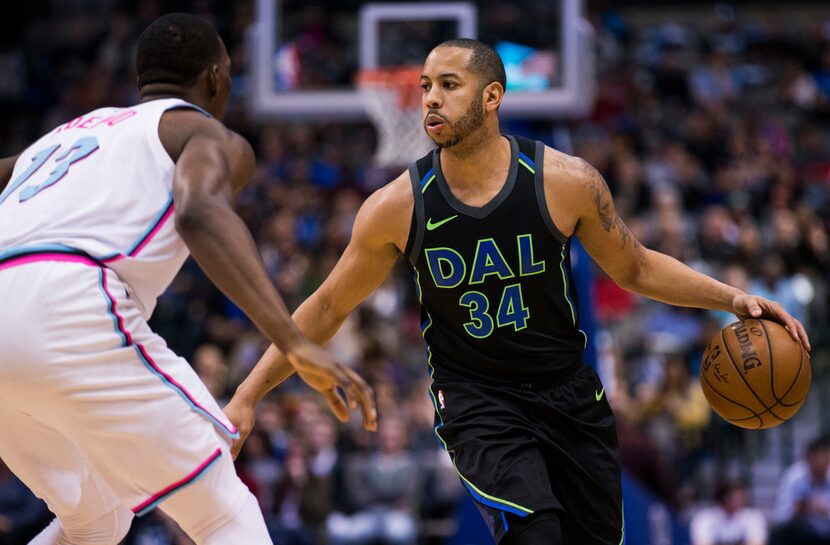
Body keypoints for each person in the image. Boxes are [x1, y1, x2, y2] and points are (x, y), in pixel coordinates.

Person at [224, 38, 810, 545]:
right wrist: (249, 395)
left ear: (492, 98)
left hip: (569, 393)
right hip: (478, 401)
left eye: (449, 85)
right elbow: (326, 307)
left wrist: (732, 298)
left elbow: (634, 268)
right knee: (535, 533)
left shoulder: (566, 182)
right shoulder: (396, 208)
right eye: (426, 85)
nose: (430, 98)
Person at [0, 13, 375, 545]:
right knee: (222, 512)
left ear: (139, 82)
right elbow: (198, 213)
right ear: (217, 77)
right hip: (68, 298)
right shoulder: (197, 129)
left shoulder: (59, 139)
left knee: (95, 521)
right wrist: (291, 341)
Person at [771, 433, 830, 545]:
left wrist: (826, 511)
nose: (826, 463)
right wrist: (800, 509)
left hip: (826, 533)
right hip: (800, 534)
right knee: (779, 533)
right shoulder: (794, 476)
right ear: (809, 457)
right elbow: (781, 518)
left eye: (828, 459)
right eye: (823, 458)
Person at [689, 479, 767, 545]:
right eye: (736, 497)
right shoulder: (704, 518)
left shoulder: (754, 517)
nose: (741, 500)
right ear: (724, 498)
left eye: (742, 497)